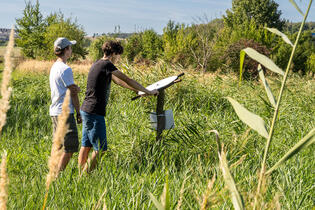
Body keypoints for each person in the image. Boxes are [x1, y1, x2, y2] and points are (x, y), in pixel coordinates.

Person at [78, 40, 158, 173]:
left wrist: (138, 91)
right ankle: (84, 176)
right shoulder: (107, 65)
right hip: (94, 112)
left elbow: (120, 82)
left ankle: (80, 173)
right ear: (114, 53)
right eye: (118, 56)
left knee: (86, 146)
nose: (118, 59)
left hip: (86, 110)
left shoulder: (98, 64)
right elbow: (128, 79)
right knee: (101, 149)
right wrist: (149, 91)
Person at [49, 37, 82, 172]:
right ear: (66, 50)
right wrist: (79, 112)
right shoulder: (66, 69)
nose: (71, 50)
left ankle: (53, 171)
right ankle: (57, 175)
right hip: (65, 112)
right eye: (70, 47)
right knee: (70, 147)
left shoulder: (54, 66)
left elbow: (68, 88)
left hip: (55, 111)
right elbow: (73, 93)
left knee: (59, 145)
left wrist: (74, 88)